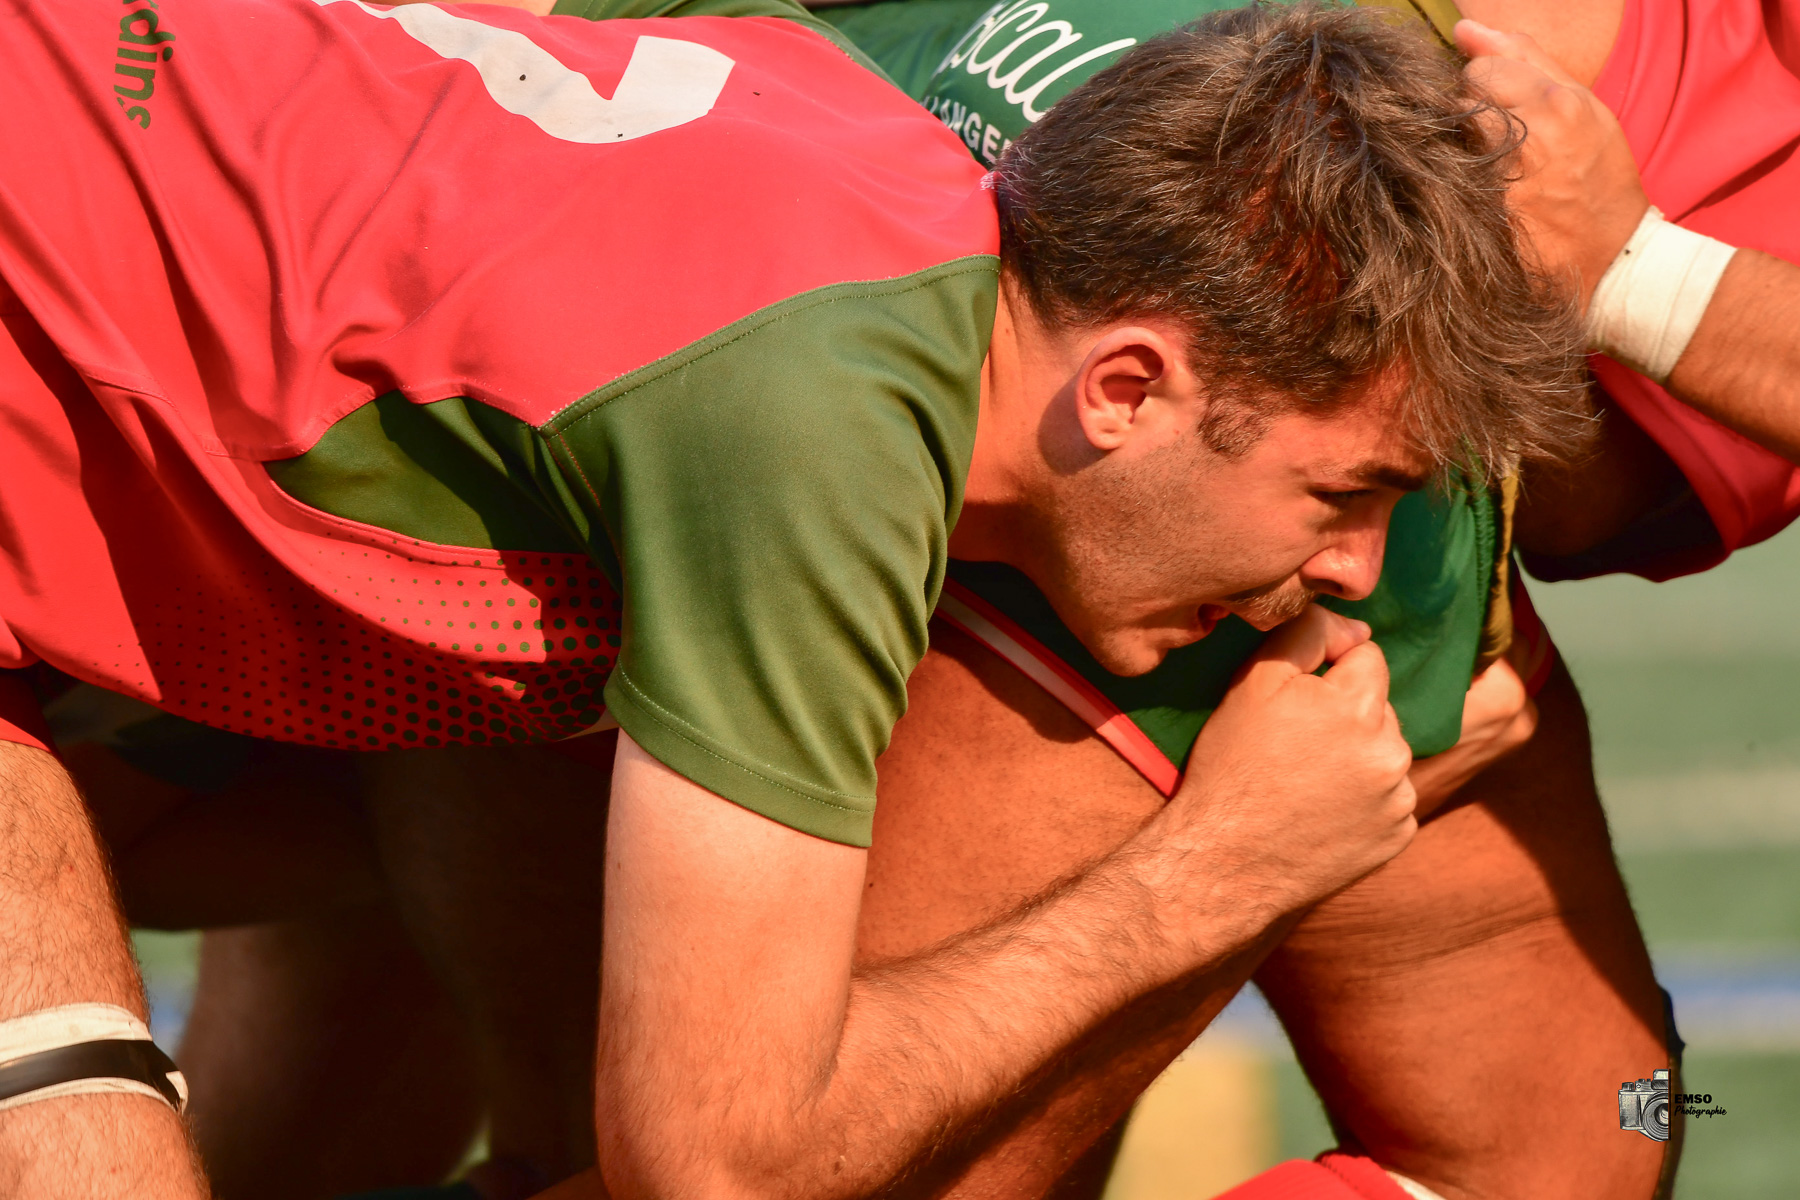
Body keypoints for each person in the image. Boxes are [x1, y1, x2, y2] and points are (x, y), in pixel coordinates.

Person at [0, 0, 1587, 1196]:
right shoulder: (818, 426)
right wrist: (1217, 869)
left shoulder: (853, 158)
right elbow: (724, 1160)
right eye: (1343, 492)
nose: (1356, 573)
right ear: (1121, 388)